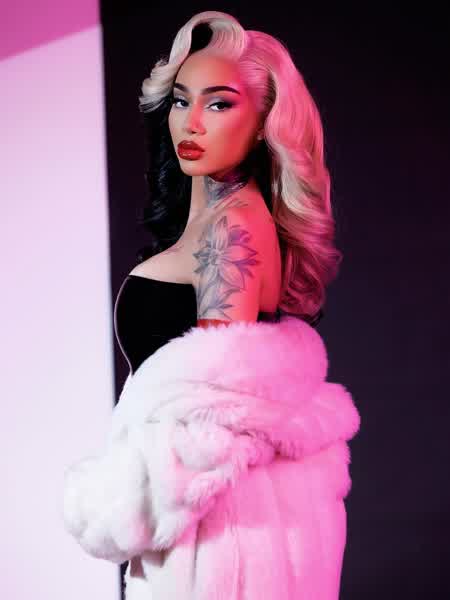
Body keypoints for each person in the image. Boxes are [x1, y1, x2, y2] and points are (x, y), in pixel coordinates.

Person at [62, 10, 360, 599]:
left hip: (220, 547)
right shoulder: (219, 220)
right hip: (213, 531)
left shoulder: (233, 229)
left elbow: (217, 417)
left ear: (264, 123)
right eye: (181, 100)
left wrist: (109, 504)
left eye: (219, 104)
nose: (191, 122)